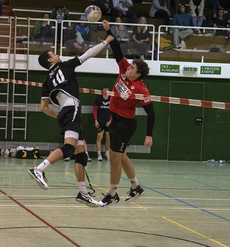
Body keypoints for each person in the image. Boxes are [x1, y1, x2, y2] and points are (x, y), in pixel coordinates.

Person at [28, 32, 115, 207]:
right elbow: (88, 54)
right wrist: (106, 41)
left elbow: (43, 108)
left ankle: (83, 193)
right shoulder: (66, 66)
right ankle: (39, 169)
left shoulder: (46, 81)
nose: (57, 54)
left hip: (64, 112)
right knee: (68, 148)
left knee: (81, 155)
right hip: (72, 108)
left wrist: (59, 115)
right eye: (54, 54)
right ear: (50, 60)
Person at [100, 19, 155, 206]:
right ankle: (135, 188)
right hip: (115, 120)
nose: (128, 67)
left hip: (125, 125)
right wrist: (109, 31)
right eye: (130, 65)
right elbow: (117, 51)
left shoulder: (141, 89)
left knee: (114, 158)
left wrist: (149, 135)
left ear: (138, 74)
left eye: (132, 67)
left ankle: (113, 194)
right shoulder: (123, 70)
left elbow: (151, 113)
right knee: (121, 156)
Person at [94, 85, 111, 161]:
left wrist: (110, 121)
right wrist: (96, 120)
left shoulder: (111, 99)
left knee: (108, 138)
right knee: (99, 137)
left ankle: (107, 154)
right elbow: (95, 110)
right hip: (100, 121)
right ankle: (99, 155)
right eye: (103, 90)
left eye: (106, 90)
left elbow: (113, 111)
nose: (105, 91)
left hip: (108, 122)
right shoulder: (99, 99)